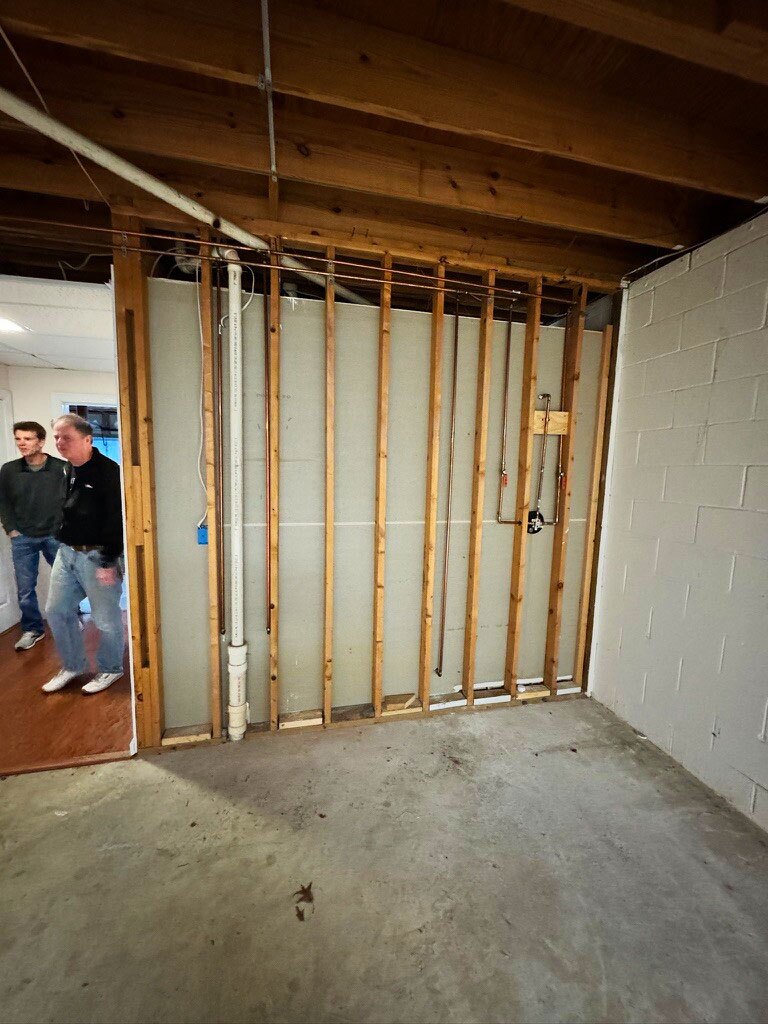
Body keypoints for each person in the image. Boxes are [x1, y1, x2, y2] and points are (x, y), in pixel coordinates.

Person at [42, 414, 126, 695]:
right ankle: (72, 665)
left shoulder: (108, 472)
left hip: (98, 556)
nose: (59, 442)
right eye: (56, 437)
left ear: (87, 439)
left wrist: (109, 560)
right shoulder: (68, 469)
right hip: (66, 554)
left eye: (66, 437)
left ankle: (111, 668)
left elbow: (117, 519)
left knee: (105, 618)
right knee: (57, 610)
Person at [0, 421, 66, 651]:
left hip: (54, 536)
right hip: (23, 538)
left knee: (67, 583)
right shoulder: (9, 470)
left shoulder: (61, 468)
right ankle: (33, 630)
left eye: (27, 439)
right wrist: (11, 529)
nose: (22, 443)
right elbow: (3, 502)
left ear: (41, 441)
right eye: (18, 439)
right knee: (25, 588)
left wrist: (63, 528)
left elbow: (71, 501)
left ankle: (69, 621)